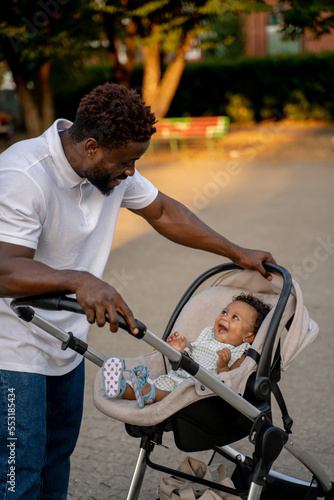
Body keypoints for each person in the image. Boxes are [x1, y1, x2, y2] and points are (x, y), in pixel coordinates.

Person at [0, 82, 275, 498]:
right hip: (13, 347)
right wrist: (79, 279)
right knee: (19, 471)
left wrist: (235, 252)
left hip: (64, 341)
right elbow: (4, 270)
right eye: (126, 162)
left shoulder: (109, 166)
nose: (131, 172)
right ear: (91, 147)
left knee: (56, 459)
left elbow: (163, 211)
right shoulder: (23, 175)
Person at [103, 293, 271, 407]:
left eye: (235, 318)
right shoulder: (207, 335)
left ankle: (146, 392)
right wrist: (180, 352)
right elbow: (192, 358)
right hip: (178, 376)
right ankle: (121, 389)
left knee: (170, 392)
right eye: (225, 312)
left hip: (198, 391)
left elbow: (232, 382)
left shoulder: (240, 353)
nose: (225, 317)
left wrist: (223, 366)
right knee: (157, 384)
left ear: (248, 337)